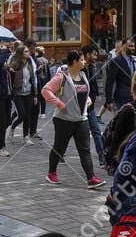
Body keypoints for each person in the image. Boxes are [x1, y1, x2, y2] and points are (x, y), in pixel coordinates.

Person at [41, 49, 104, 188]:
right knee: (59, 147)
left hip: (81, 119)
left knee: (85, 150)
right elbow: (45, 90)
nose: (84, 61)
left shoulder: (82, 74)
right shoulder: (61, 77)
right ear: (74, 62)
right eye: (81, 60)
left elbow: (82, 92)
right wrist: (58, 103)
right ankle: (51, 173)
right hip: (63, 119)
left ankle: (91, 178)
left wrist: (88, 99)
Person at [8, 43, 41, 142]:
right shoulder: (15, 63)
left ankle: (25, 136)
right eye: (26, 51)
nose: (29, 53)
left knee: (28, 115)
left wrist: (35, 94)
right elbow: (9, 71)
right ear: (21, 53)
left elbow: (34, 78)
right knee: (22, 114)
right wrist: (10, 70)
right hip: (18, 93)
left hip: (29, 93)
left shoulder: (31, 62)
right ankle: (12, 127)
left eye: (28, 51)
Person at [104, 38, 135, 113]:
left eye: (133, 46)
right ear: (124, 46)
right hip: (121, 98)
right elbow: (110, 81)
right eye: (130, 46)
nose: (133, 48)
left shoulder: (133, 60)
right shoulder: (116, 61)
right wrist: (109, 100)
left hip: (133, 98)